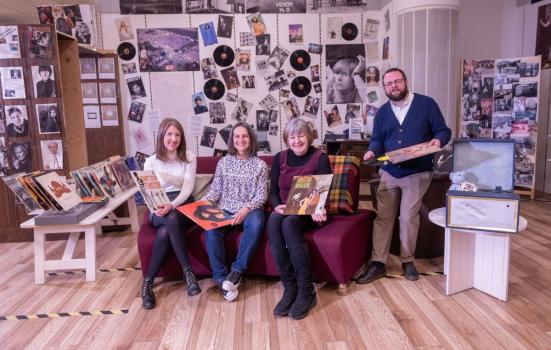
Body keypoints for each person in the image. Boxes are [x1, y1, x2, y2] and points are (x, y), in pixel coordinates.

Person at [357, 68, 451, 284]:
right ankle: (378, 263)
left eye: (397, 81)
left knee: (408, 217)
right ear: (384, 88)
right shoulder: (382, 113)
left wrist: (437, 141)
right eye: (389, 84)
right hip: (389, 172)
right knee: (383, 218)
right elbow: (378, 140)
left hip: (417, 172)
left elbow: (443, 131)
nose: (393, 86)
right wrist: (372, 150)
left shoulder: (427, 104)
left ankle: (407, 260)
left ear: (405, 82)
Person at [267, 118, 331, 320]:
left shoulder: (320, 158)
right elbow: (274, 191)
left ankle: (306, 290)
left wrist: (318, 207)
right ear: (287, 139)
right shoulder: (280, 157)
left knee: (289, 222)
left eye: (301, 135)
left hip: (309, 211)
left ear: (309, 136)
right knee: (274, 219)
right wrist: (277, 204)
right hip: (285, 208)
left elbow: (323, 190)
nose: (297, 140)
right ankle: (289, 287)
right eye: (292, 137)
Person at [202, 122, 268, 302]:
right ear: (232, 140)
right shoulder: (223, 162)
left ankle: (236, 272)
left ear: (251, 139)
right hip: (224, 207)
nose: (240, 140)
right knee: (210, 228)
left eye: (244, 136)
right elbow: (215, 190)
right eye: (237, 136)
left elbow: (261, 195)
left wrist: (246, 209)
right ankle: (222, 279)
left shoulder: (260, 165)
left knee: (256, 223)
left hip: (250, 208)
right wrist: (204, 203)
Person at [140, 118, 201, 310]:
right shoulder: (150, 161)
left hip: (182, 204)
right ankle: (188, 272)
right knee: (168, 221)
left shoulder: (189, 157)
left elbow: (187, 189)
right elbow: (148, 194)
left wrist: (172, 205)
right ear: (161, 136)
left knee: (169, 224)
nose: (173, 138)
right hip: (157, 206)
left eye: (177, 135)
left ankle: (148, 282)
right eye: (169, 134)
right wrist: (160, 207)